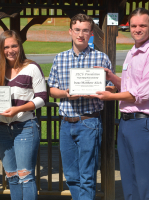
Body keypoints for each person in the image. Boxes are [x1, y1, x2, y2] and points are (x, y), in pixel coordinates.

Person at [91, 8, 149, 200]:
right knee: (129, 179)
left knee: (145, 181)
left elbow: (142, 94)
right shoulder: (132, 52)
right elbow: (129, 86)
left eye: (142, 25)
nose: (137, 29)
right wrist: (112, 78)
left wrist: (111, 98)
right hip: (127, 123)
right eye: (134, 25)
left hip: (145, 123)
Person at [47, 13, 114, 200]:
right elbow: (52, 89)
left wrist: (100, 90)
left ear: (91, 33)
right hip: (66, 123)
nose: (81, 34)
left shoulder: (101, 58)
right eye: (77, 30)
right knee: (71, 176)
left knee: (87, 175)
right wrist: (66, 93)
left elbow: (112, 87)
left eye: (85, 30)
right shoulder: (59, 59)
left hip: (89, 122)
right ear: (70, 31)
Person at [0, 30, 47, 200]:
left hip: (25, 128)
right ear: (1, 49)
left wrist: (18, 109)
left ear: (20, 46)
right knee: (12, 176)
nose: (10, 50)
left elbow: (42, 98)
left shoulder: (32, 68)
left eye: (14, 45)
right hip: (3, 129)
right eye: (6, 47)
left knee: (25, 176)